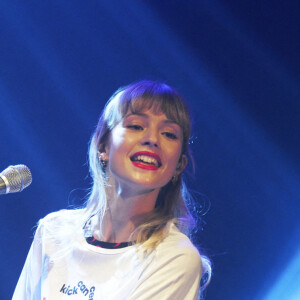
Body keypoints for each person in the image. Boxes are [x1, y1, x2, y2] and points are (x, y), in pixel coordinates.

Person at [13, 80, 211, 299]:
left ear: (179, 165)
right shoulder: (53, 231)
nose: (152, 139)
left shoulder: (174, 258)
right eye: (136, 126)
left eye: (169, 134)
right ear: (103, 146)